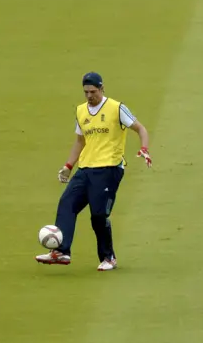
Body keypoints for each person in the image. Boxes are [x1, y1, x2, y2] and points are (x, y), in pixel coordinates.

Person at [35, 72, 152, 271]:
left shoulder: (116, 108)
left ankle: (108, 257)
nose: (89, 96)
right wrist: (68, 166)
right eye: (86, 92)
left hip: (109, 168)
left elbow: (141, 128)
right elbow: (80, 141)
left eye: (93, 91)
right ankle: (62, 251)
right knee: (67, 203)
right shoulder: (81, 111)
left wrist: (144, 148)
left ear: (102, 88)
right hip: (86, 168)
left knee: (98, 215)